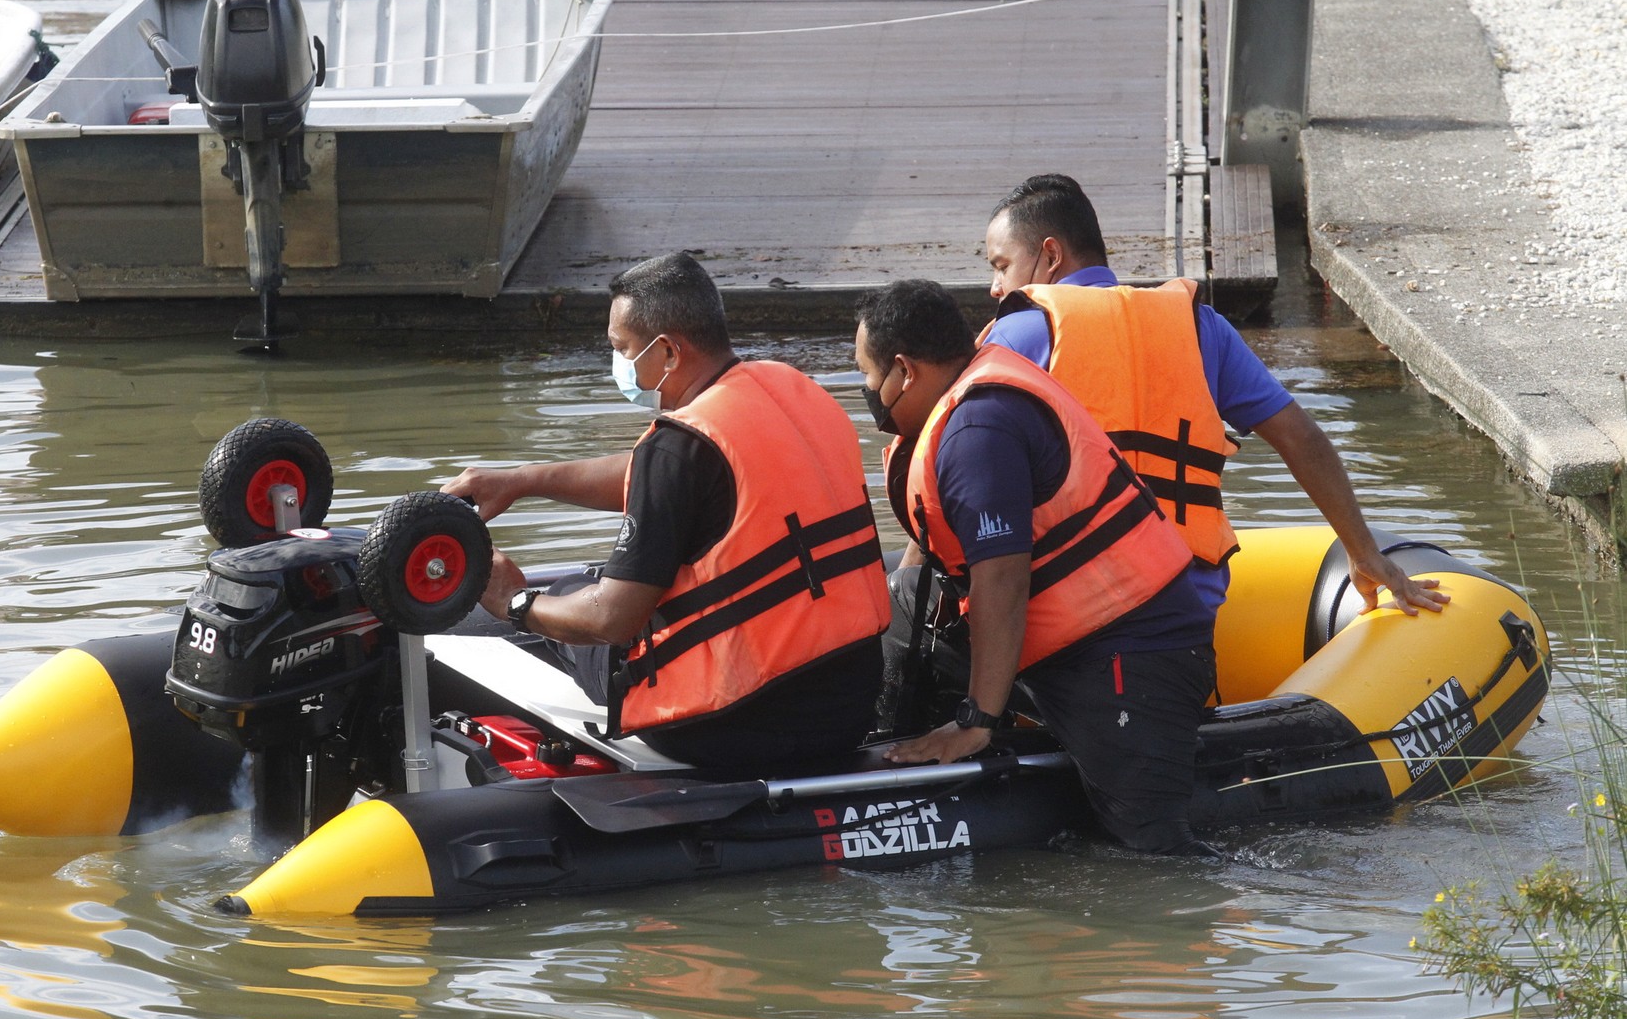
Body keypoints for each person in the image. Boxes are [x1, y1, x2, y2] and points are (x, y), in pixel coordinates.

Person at [442, 251, 890, 772]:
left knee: (570, 596)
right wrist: (522, 480)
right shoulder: (792, 391)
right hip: (848, 703)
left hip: (735, 725)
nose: (619, 364)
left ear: (670, 353)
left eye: (622, 349)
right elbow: (660, 478)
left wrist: (512, 601)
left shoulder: (678, 448)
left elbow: (611, 620)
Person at [856, 278, 1218, 855]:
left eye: (868, 377)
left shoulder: (979, 429)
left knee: (1149, 847)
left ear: (904, 371)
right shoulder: (962, 401)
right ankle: (889, 759)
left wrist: (976, 719)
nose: (868, 391)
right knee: (902, 596)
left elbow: (1003, 578)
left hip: (1128, 654)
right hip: (1058, 648)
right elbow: (936, 554)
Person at [980, 173, 1448, 618]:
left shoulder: (1014, 337)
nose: (995, 286)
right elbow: (1301, 438)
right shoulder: (1201, 326)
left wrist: (913, 581)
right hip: (1189, 607)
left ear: (1051, 255)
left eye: (1002, 266)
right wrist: (1363, 551)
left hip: (1070, 612)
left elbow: (953, 464)